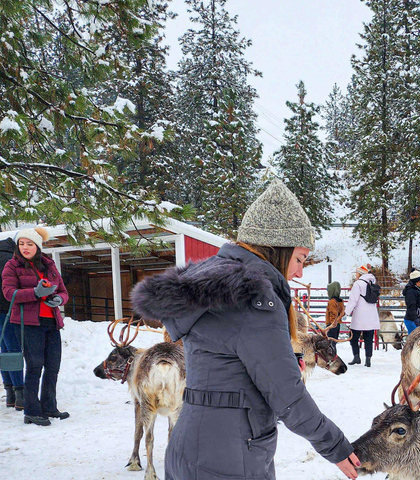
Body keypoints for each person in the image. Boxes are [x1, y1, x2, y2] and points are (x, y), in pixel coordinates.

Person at [131, 180, 360, 480]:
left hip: (187, 450)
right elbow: (287, 395)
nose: (300, 272)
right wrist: (336, 446)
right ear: (278, 249)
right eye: (300, 258)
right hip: (229, 460)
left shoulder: (217, 289)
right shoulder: (254, 299)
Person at [1, 227, 69, 426]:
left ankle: (49, 407)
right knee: (34, 366)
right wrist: (35, 293)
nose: (25, 247)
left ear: (37, 246)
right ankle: (31, 411)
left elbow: (64, 290)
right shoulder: (11, 266)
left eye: (29, 244)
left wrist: (59, 299)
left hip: (51, 321)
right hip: (29, 323)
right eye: (21, 244)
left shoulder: (49, 265)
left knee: (53, 367)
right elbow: (9, 293)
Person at [1, 236, 24, 410]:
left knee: (4, 350)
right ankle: (20, 395)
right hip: (8, 310)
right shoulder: (11, 260)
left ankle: (9, 393)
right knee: (14, 350)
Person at [344, 265, 380, 367]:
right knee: (369, 338)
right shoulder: (372, 282)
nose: (356, 275)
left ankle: (356, 357)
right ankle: (368, 359)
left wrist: (346, 312)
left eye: (356, 273)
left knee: (353, 337)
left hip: (359, 315)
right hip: (371, 315)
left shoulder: (358, 284)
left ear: (360, 274)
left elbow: (353, 300)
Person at [402, 269, 420, 334]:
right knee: (414, 340)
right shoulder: (410, 292)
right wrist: (415, 319)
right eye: (419, 281)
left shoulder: (417, 289)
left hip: (417, 320)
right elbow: (411, 307)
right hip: (412, 320)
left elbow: (419, 299)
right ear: (415, 282)